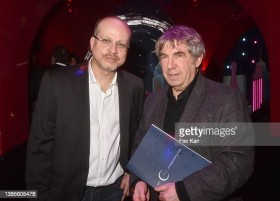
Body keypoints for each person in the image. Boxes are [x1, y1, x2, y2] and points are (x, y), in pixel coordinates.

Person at [26, 16, 145, 201]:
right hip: (67, 192)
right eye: (106, 41)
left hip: (114, 190)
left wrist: (133, 172)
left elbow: (135, 134)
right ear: (92, 42)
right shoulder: (57, 82)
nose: (113, 50)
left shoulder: (134, 86)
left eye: (121, 45)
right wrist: (39, 195)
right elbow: (39, 145)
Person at [131, 25, 254, 201]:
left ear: (197, 59)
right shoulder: (152, 101)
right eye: (164, 57)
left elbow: (238, 160)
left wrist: (184, 190)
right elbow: (141, 148)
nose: (170, 65)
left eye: (179, 55)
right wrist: (139, 180)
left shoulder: (226, 98)